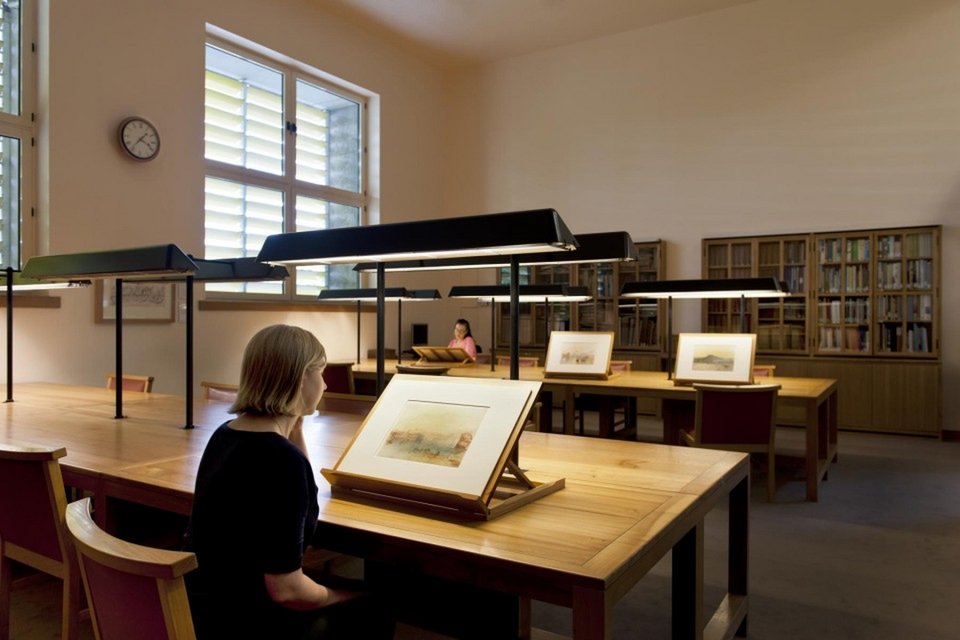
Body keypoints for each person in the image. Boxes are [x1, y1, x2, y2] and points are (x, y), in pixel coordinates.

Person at [185, 324, 393, 639]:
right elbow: (286, 591)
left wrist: (293, 425)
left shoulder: (224, 436)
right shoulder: (282, 462)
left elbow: (302, 494)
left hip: (208, 603)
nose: (324, 384)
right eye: (321, 372)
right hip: (248, 620)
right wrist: (338, 595)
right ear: (299, 378)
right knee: (376, 602)